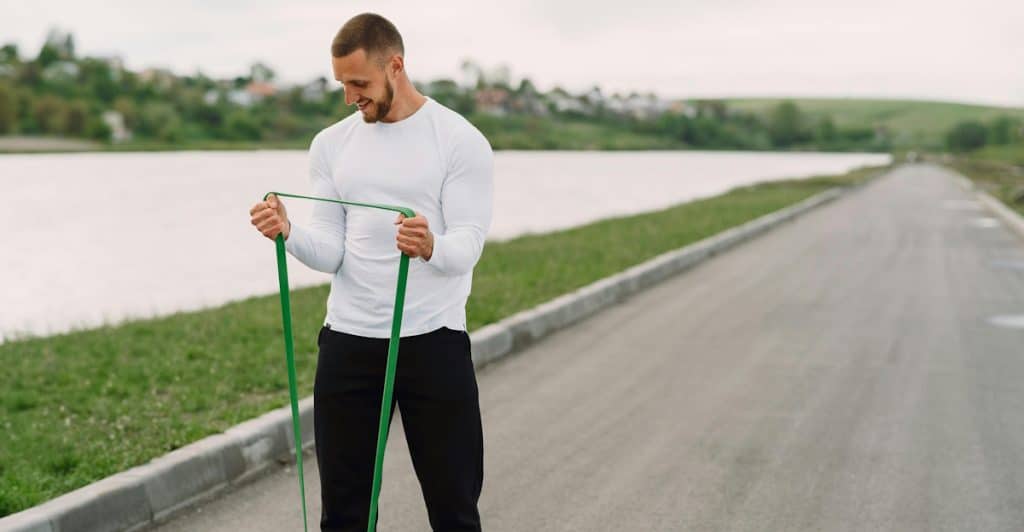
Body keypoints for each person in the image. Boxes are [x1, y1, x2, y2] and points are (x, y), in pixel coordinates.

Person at [247, 12, 493, 532]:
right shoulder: (332, 145)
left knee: (453, 507)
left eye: (358, 82)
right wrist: (289, 233)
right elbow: (332, 251)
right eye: (341, 83)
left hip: (433, 342)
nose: (349, 96)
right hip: (350, 344)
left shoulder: (458, 139)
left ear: (395, 66)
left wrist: (429, 246)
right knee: (344, 512)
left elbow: (468, 244)